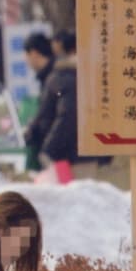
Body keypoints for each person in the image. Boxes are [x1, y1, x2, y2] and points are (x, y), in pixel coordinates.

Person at [26, 29, 107, 181]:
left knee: (74, 198)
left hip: (71, 156)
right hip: (81, 153)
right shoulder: (83, 73)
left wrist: (49, 149)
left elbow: (67, 115)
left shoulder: (64, 75)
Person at [20, 31, 54, 172]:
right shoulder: (50, 75)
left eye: (26, 55)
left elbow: (49, 114)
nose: (26, 60)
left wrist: (32, 131)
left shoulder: (53, 77)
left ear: (34, 53)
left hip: (53, 151)